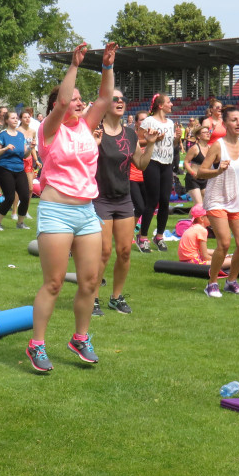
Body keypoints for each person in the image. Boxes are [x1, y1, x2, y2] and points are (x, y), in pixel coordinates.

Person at [27, 42, 117, 372]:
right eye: (74, 99)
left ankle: (80, 337)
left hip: (85, 211)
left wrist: (107, 65)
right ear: (55, 107)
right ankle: (36, 345)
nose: (79, 103)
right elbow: (63, 99)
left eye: (81, 99)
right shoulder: (49, 130)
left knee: (90, 282)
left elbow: (105, 99)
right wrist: (74, 64)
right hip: (56, 210)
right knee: (52, 283)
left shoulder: (85, 125)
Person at [93, 89, 153, 316]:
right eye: (114, 99)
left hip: (123, 198)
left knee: (125, 250)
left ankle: (115, 298)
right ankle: (93, 298)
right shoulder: (95, 131)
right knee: (104, 251)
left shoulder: (130, 134)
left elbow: (141, 164)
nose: (120, 102)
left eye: (123, 100)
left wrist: (152, 145)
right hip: (100, 198)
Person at [198, 105, 239, 297]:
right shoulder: (218, 145)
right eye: (234, 120)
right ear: (225, 123)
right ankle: (211, 284)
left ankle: (231, 281)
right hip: (217, 199)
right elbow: (201, 171)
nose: (238, 123)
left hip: (236, 200)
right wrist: (218, 170)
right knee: (224, 243)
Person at [136, 94, 178, 252]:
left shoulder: (171, 123)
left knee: (165, 201)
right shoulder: (149, 121)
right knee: (152, 201)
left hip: (167, 164)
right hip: (152, 161)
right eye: (169, 102)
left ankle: (159, 236)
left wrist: (175, 139)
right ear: (160, 105)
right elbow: (139, 140)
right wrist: (153, 140)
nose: (171, 104)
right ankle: (143, 236)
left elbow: (169, 144)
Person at [0, 112, 32, 231]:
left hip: (19, 168)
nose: (15, 120)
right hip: (5, 169)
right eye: (12, 118)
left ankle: (20, 223)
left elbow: (25, 154)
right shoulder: (3, 135)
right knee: (9, 197)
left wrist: (30, 148)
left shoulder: (20, 135)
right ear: (7, 121)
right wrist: (5, 148)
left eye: (16, 118)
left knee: (24, 196)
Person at [178, 205, 230, 269]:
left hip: (184, 261)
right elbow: (205, 256)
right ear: (202, 218)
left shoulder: (192, 228)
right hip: (194, 262)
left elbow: (203, 250)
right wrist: (218, 259)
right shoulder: (202, 230)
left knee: (224, 257)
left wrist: (223, 254)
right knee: (230, 261)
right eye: (209, 216)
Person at [183, 125, 210, 206]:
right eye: (205, 132)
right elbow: (186, 162)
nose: (208, 134)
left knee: (207, 204)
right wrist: (192, 173)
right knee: (198, 204)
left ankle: (193, 218)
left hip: (205, 179)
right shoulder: (195, 148)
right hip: (193, 179)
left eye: (208, 132)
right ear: (198, 136)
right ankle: (190, 219)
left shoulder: (211, 148)